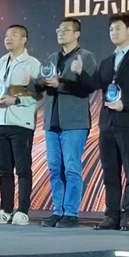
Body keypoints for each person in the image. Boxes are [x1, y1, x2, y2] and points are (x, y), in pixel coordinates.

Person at [74, 12, 129, 231]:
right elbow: (94, 85)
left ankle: (128, 215)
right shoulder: (107, 62)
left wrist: (125, 103)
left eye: (118, 28)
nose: (113, 32)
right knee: (110, 171)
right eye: (111, 29)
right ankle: (111, 214)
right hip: (107, 123)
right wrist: (81, 73)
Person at [37, 17, 98, 228]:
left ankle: (71, 212)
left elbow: (88, 88)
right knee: (55, 168)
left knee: (72, 168)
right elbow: (41, 84)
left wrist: (60, 83)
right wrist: (34, 83)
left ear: (77, 34)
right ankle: (58, 210)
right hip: (52, 121)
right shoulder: (52, 58)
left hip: (74, 122)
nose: (61, 33)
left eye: (66, 30)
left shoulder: (86, 57)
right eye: (59, 29)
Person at [0, 25, 42, 226]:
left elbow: (39, 94)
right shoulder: (0, 62)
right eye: (7, 35)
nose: (8, 38)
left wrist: (16, 100)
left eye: (14, 35)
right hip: (0, 122)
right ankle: (6, 210)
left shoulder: (32, 63)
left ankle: (23, 211)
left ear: (24, 39)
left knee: (23, 169)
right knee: (4, 169)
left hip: (21, 123)